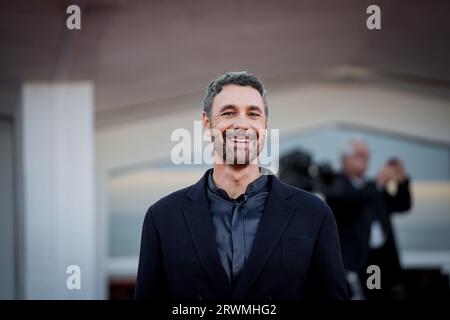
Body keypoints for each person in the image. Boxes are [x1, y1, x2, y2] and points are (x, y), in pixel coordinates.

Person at [134, 71, 348, 300]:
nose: (242, 124)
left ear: (265, 125)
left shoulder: (314, 214)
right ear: (207, 123)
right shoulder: (163, 217)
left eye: (253, 114)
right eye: (228, 113)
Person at [325, 140, 412, 299]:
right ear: (345, 159)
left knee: (376, 294)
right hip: (352, 262)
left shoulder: (373, 187)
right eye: (358, 155)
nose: (364, 159)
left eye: (366, 155)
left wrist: (403, 181)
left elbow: (402, 205)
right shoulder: (337, 184)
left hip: (377, 260)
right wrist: (379, 183)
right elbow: (350, 199)